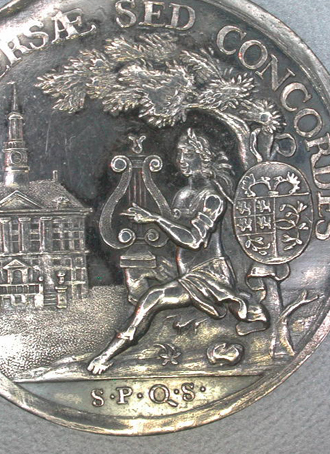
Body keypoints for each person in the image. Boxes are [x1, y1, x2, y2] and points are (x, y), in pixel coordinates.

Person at [88, 128, 267, 375]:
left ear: (203, 158)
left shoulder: (212, 198)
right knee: (136, 272)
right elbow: (176, 237)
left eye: (188, 154)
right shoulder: (183, 194)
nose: (181, 160)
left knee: (154, 297)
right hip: (183, 269)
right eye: (180, 153)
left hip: (208, 275)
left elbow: (193, 240)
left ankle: (107, 355)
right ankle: (147, 328)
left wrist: (155, 219)